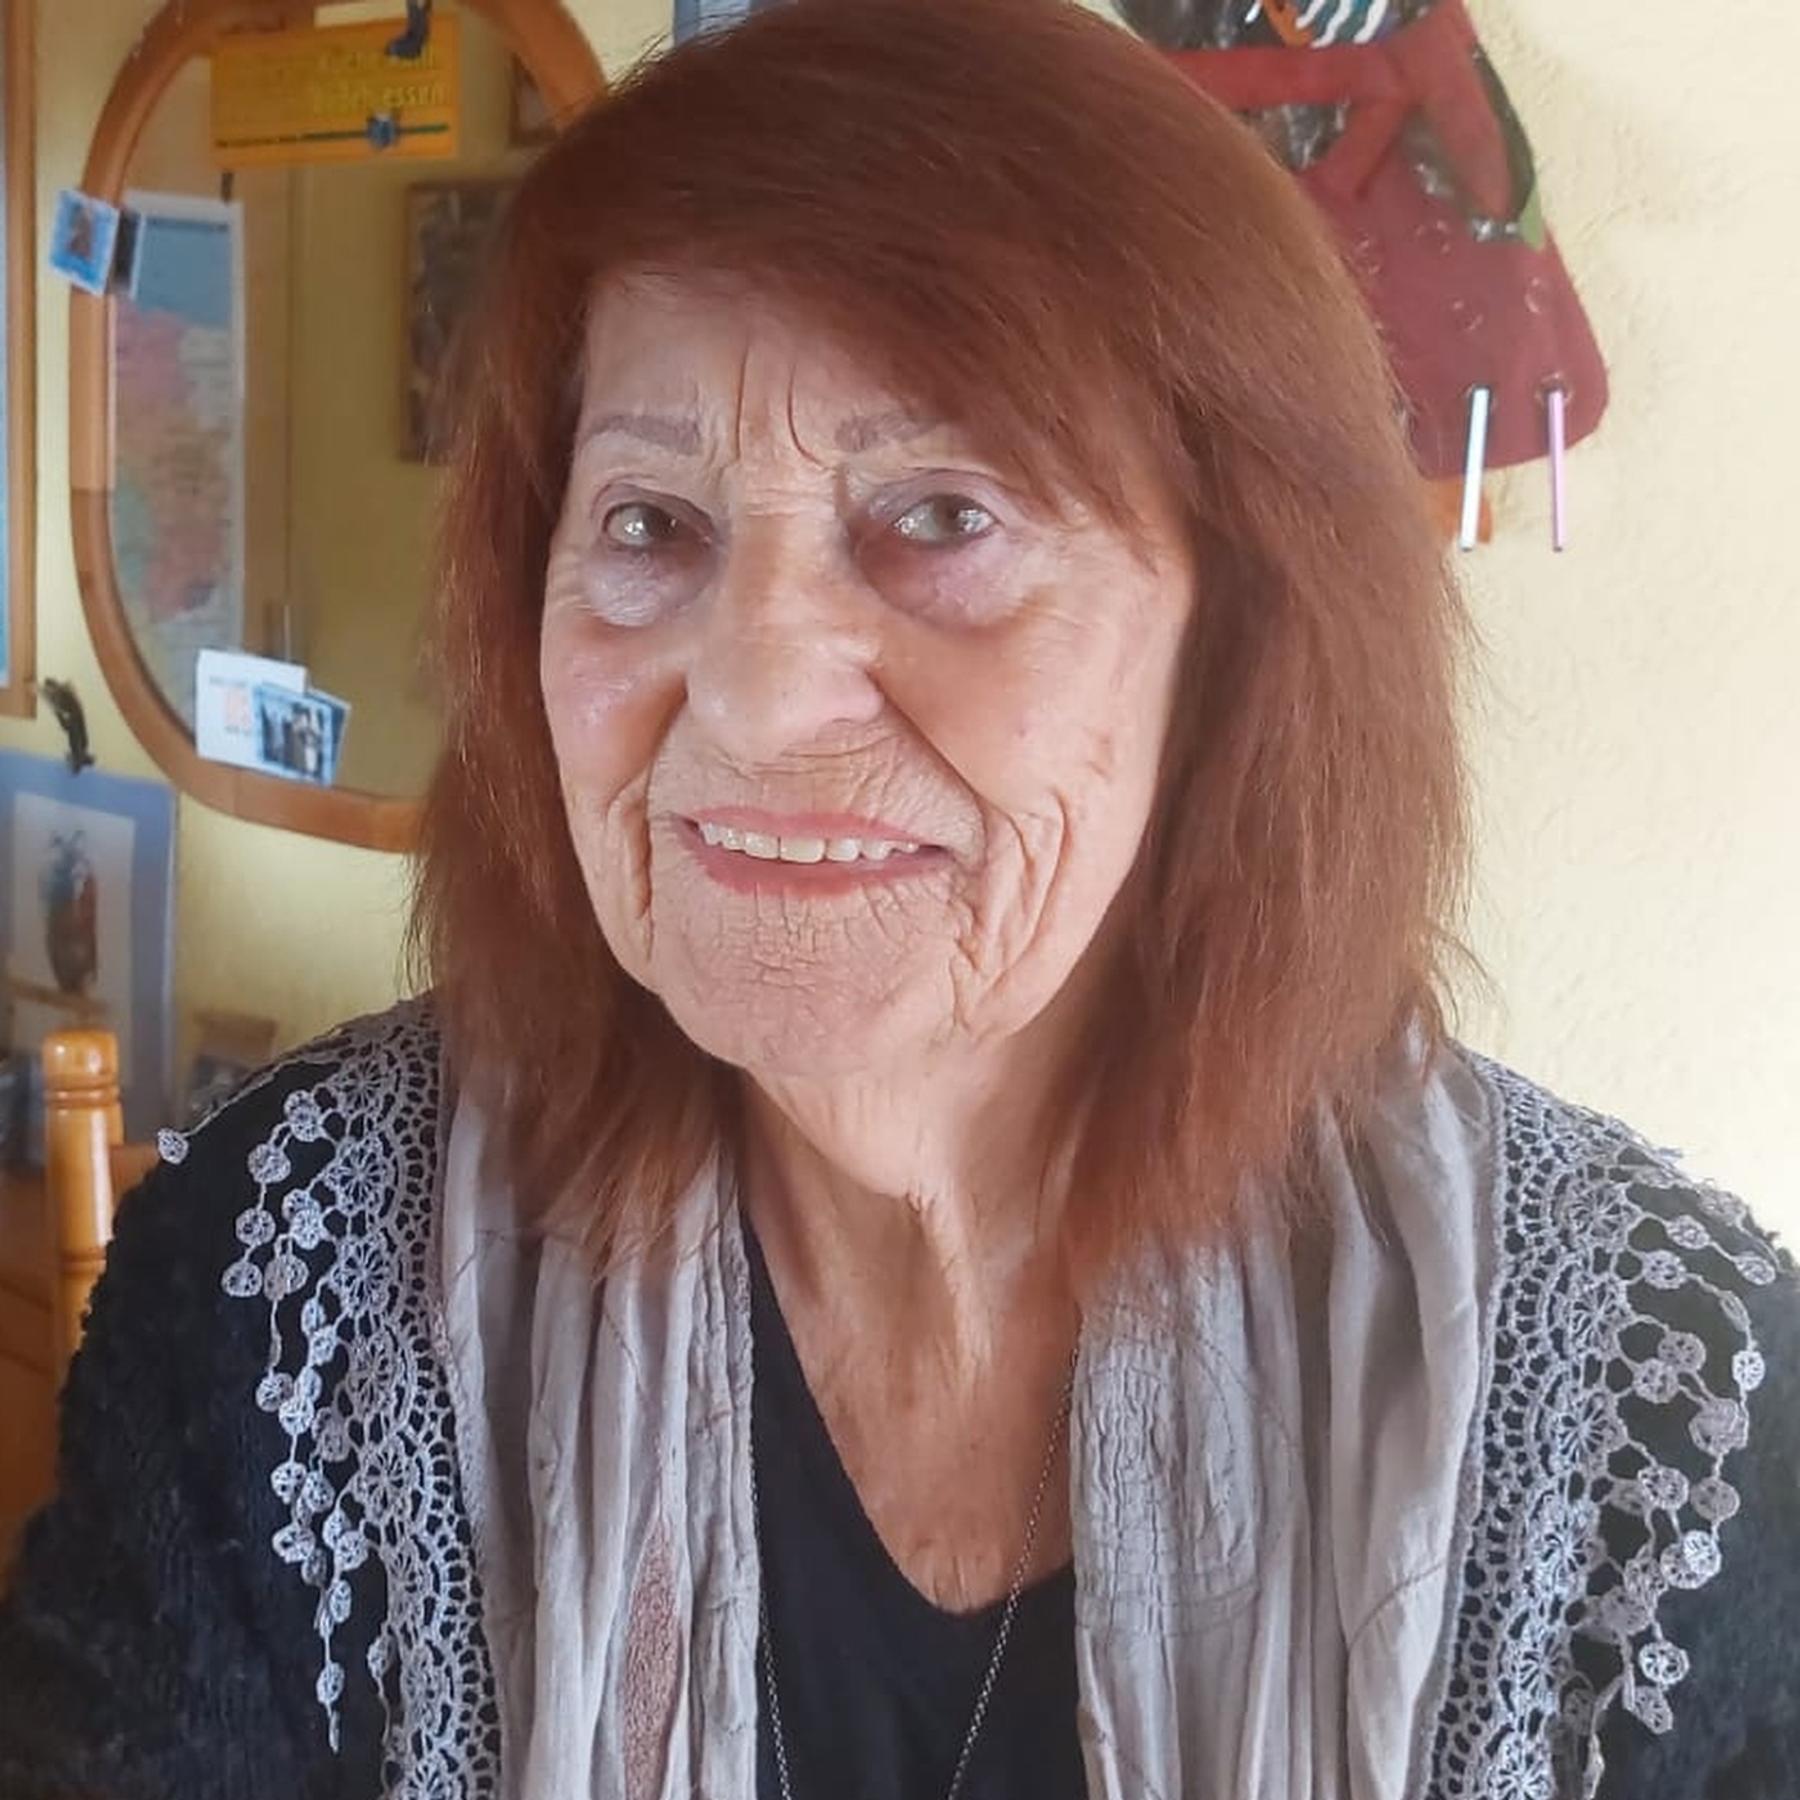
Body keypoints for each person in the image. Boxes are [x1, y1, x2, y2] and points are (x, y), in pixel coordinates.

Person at [3, 3, 1796, 1797]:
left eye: (943, 517)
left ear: (1239, 643)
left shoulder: (1670, 1422)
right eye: (649, 526)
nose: (756, 695)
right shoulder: (279, 1292)